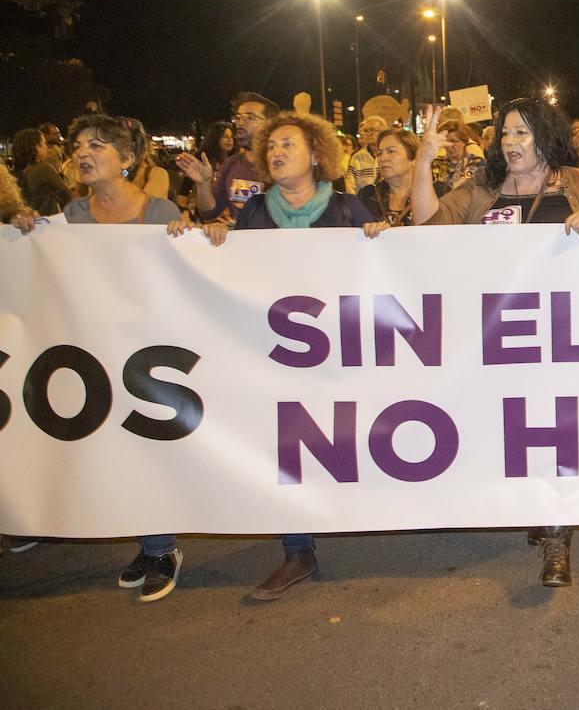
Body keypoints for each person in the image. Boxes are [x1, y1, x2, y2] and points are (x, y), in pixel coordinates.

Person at [170, 111, 386, 600]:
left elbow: (388, 270)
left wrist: (380, 236)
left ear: (316, 154)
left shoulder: (349, 209)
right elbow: (229, 272)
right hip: (278, 355)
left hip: (340, 353)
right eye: (271, 146)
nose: (277, 152)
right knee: (286, 443)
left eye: (288, 144)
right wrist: (211, 240)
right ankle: (297, 550)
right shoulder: (252, 213)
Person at [412, 97, 579, 588]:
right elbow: (428, 226)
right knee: (517, 428)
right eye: (505, 132)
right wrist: (424, 159)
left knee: (556, 428)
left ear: (545, 136)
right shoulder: (483, 186)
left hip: (562, 333)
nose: (510, 141)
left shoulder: (578, 182)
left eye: (521, 132)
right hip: (498, 335)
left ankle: (556, 537)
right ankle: (539, 507)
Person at [10, 116, 184, 598]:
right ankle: (148, 545)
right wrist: (26, 233)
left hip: (149, 354)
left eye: (98, 145)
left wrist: (192, 237)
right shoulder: (72, 215)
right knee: (117, 451)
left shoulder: (160, 211)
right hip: (98, 353)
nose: (83, 153)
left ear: (127, 159)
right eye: (79, 145)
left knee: (151, 449)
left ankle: (162, 547)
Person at [176, 92, 280, 224]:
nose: (240, 122)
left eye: (250, 117)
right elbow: (209, 212)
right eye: (238, 117)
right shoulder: (231, 164)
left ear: (269, 125)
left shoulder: (282, 164)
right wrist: (203, 184)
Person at [358, 128, 447, 226]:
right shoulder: (367, 196)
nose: (382, 158)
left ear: (413, 158)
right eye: (379, 153)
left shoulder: (440, 193)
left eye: (391, 151)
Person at [11, 128, 70, 215]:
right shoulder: (42, 168)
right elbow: (67, 193)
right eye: (44, 144)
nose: (46, 147)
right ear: (36, 147)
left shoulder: (18, 172)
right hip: (48, 218)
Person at [345, 115, 386, 194]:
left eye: (372, 130)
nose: (369, 133)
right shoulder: (357, 157)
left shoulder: (389, 154)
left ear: (383, 132)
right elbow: (350, 184)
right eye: (366, 131)